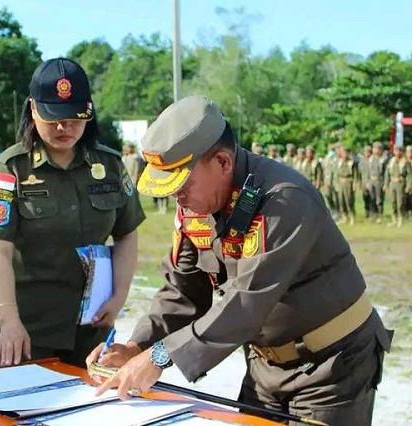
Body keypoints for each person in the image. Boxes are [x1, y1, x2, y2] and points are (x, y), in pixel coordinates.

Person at [88, 96, 392, 426]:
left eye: (182, 184)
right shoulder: (197, 206)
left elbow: (246, 303)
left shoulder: (284, 199)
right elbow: (183, 290)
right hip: (265, 369)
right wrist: (138, 345)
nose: (178, 197)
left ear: (222, 162)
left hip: (331, 370)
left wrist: (160, 356)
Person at [0, 57, 145, 368]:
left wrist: (119, 295)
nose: (63, 127)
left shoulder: (109, 166)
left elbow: (127, 232)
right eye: (53, 117)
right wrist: (9, 321)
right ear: (32, 110)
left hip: (91, 327)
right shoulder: (8, 170)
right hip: (28, 331)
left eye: (73, 118)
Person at [384, 145, 411, 228]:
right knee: (393, 202)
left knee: (400, 203)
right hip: (392, 183)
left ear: (402, 152)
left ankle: (401, 219)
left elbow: (409, 175)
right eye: (396, 150)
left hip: (401, 184)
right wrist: (386, 184)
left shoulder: (405, 162)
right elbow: (387, 174)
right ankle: (394, 220)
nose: (397, 152)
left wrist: (409, 185)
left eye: (399, 151)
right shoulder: (391, 161)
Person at [367, 142, 387, 223]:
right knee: (372, 198)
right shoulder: (371, 159)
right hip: (372, 180)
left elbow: (386, 173)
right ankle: (373, 214)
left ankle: (379, 215)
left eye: (377, 148)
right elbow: (368, 171)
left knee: (379, 199)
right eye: (374, 148)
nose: (375, 150)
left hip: (379, 181)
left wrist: (385, 183)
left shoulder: (383, 159)